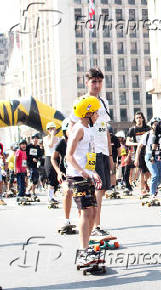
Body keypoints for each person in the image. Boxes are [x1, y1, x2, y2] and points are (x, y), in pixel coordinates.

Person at [69, 68, 112, 236]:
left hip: (102, 150)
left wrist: (110, 156)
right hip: (89, 153)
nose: (97, 84)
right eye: (93, 81)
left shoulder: (103, 102)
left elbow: (106, 129)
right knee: (94, 188)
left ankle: (92, 225)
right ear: (86, 83)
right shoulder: (81, 102)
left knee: (101, 189)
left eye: (99, 81)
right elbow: (72, 126)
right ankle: (94, 226)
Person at [66, 95, 102, 264]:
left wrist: (93, 172)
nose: (98, 115)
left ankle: (86, 247)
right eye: (96, 113)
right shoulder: (79, 129)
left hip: (86, 175)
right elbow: (69, 155)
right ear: (88, 113)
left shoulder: (90, 129)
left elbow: (90, 154)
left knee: (93, 212)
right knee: (86, 212)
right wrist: (82, 171)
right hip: (77, 175)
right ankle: (82, 252)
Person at [52, 118, 74, 228]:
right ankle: (66, 219)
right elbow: (53, 158)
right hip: (65, 174)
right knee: (68, 192)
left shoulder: (81, 140)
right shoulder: (62, 142)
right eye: (69, 130)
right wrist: (58, 172)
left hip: (78, 173)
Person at [138, 117, 161, 199]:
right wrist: (137, 158)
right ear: (151, 125)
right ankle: (152, 194)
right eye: (155, 124)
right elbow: (139, 147)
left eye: (158, 124)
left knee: (159, 179)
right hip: (149, 156)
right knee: (155, 175)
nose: (156, 126)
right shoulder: (147, 135)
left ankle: (153, 185)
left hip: (159, 156)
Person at [127, 111, 151, 195]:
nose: (138, 119)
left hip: (148, 151)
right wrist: (138, 144)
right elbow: (128, 142)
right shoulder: (132, 130)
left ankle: (145, 182)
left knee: (148, 172)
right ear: (135, 119)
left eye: (140, 117)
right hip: (139, 152)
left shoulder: (148, 128)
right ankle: (142, 189)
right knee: (142, 171)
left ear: (143, 118)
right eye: (137, 118)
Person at [43, 122, 60, 203]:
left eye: (53, 128)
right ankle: (50, 197)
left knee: (57, 179)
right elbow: (50, 144)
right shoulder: (45, 138)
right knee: (51, 178)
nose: (52, 130)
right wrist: (52, 135)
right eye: (50, 129)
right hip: (49, 158)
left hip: (57, 159)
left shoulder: (59, 139)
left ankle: (53, 196)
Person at [26, 134, 43, 198]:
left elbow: (40, 156)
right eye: (34, 138)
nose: (35, 140)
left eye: (36, 138)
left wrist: (37, 159)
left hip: (36, 165)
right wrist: (31, 159)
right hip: (29, 165)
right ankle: (31, 192)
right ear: (31, 139)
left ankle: (30, 191)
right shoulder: (28, 146)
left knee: (35, 179)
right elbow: (26, 156)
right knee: (31, 179)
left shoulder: (38, 147)